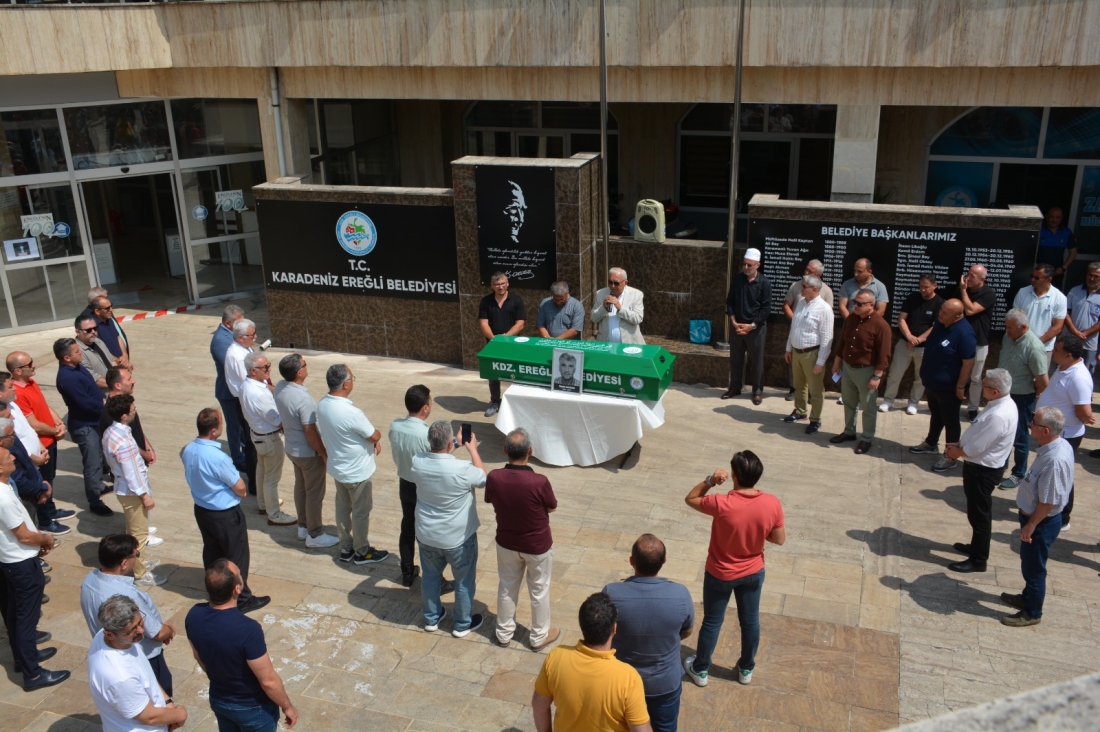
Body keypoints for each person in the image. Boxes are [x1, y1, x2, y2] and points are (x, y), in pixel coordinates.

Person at [683, 450, 785, 688]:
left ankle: (700, 669)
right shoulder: (772, 503)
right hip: (753, 573)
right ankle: (746, 669)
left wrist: (710, 480)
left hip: (720, 573)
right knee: (750, 622)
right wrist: (757, 530)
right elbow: (779, 539)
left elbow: (691, 498)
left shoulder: (721, 503)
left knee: (712, 622)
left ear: (734, 475)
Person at [186, 559, 298, 730]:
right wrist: (287, 706)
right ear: (237, 589)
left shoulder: (194, 614)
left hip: (219, 699)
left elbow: (198, 656)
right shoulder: (248, 629)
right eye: (240, 574)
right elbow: (268, 681)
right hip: (253, 708)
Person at [181, 408, 270, 614]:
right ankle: (243, 598)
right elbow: (239, 486)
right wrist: (241, 491)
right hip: (225, 515)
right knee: (236, 556)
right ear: (213, 430)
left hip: (202, 510)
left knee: (212, 552)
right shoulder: (218, 457)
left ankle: (216, 590)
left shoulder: (189, 449)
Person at [602, 535, 694, 732]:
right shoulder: (681, 594)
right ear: (664, 561)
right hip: (664, 684)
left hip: (622, 682)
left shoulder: (611, 593)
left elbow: (602, 633)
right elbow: (687, 630)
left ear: (632, 561)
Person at [0, 445, 69, 691]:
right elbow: (24, 536)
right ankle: (33, 674)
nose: (13, 457)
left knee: (14, 613)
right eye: (8, 456)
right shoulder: (3, 497)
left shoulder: (5, 488)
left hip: (10, 561)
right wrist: (45, 539)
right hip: (21, 564)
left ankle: (23, 658)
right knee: (26, 619)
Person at [532, 591, 651, 732]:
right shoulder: (628, 678)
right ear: (614, 628)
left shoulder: (556, 657)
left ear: (582, 625)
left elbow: (539, 706)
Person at [484, 428, 559, 651]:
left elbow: (490, 499)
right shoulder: (539, 481)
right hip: (536, 546)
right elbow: (551, 507)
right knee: (539, 590)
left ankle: (503, 633)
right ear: (530, 451)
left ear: (504, 450)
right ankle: (538, 636)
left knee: (507, 587)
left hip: (506, 543)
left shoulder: (494, 477)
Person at [411, 420, 486, 637]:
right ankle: (462, 624)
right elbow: (483, 479)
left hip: (427, 535)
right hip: (458, 538)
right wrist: (472, 449)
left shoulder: (417, 461)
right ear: (448, 443)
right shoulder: (462, 469)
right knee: (464, 580)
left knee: (430, 577)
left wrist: (456, 442)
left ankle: (431, 618)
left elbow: (437, 455)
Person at [999, 406, 1073, 627]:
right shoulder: (1057, 446)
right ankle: (1027, 597)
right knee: (1030, 564)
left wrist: (1031, 525)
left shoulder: (1054, 460)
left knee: (1034, 570)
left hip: (1041, 523)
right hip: (1039, 520)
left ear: (1046, 430)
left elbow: (1047, 502)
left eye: (1034, 423)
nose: (1030, 425)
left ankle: (1032, 612)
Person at [81, 535, 177, 696]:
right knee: (160, 700)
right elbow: (157, 633)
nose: (136, 558)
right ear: (124, 563)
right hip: (144, 660)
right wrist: (168, 630)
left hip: (111, 653)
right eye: (136, 555)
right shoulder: (126, 595)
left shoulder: (89, 581)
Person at [943, 369, 1018, 573]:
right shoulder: (999, 405)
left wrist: (956, 452)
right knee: (976, 513)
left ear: (995, 391)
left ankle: (978, 560)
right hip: (979, 468)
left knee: (980, 516)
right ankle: (976, 546)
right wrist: (960, 445)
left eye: (984, 385)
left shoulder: (999, 415)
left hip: (982, 471)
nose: (981, 388)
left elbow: (977, 448)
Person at [316, 363, 388, 563]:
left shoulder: (322, 404)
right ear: (346, 384)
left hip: (338, 469)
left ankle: (346, 548)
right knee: (360, 512)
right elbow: (374, 435)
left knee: (342, 508)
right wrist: (375, 440)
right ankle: (362, 551)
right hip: (357, 472)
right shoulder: (352, 413)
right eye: (352, 378)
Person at [87, 595, 187, 731]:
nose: (141, 631)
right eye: (132, 630)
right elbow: (149, 717)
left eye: (140, 622)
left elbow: (146, 676)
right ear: (110, 635)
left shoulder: (116, 638)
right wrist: (180, 714)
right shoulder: (119, 676)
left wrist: (167, 702)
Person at [389, 385, 454, 591]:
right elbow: (439, 459)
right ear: (425, 408)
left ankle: (407, 573)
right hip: (424, 488)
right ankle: (436, 579)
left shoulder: (395, 426)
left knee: (408, 527)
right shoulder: (426, 434)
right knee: (429, 534)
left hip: (405, 484)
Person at [274, 353, 336, 547]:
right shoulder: (303, 399)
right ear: (299, 373)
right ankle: (315, 534)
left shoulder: (280, 387)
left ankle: (303, 527)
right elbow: (310, 431)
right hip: (308, 454)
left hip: (292, 449)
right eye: (305, 364)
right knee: (314, 494)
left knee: (301, 488)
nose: (307, 366)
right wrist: (323, 453)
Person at [1035, 334, 1095, 531]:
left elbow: (1084, 412)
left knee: (1061, 475)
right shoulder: (1063, 367)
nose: (1053, 353)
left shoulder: (1078, 378)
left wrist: (1086, 418)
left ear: (1068, 355)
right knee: (1049, 473)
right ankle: (1046, 507)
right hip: (1052, 433)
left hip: (1066, 435)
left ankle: (1062, 517)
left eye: (1057, 350)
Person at [909, 299, 977, 471]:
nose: (940, 314)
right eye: (941, 310)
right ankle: (931, 443)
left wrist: (960, 387)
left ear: (957, 316)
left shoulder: (965, 334)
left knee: (950, 420)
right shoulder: (941, 323)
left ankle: (950, 455)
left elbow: (968, 363)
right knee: (936, 415)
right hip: (932, 383)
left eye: (945, 313)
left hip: (949, 388)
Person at [102, 395, 163, 586]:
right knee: (140, 535)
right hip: (132, 493)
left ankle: (138, 563)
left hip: (123, 490)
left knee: (131, 531)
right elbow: (132, 473)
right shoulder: (124, 441)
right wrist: (144, 496)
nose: (135, 411)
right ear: (123, 415)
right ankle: (140, 573)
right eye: (132, 409)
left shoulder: (111, 432)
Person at [53, 337, 113, 515]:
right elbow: (84, 403)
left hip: (95, 421)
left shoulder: (78, 367)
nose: (80, 353)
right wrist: (104, 405)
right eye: (76, 352)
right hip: (84, 426)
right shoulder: (67, 378)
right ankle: (95, 501)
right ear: (66, 358)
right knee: (92, 464)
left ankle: (99, 486)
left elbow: (92, 390)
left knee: (99, 457)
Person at [829, 288, 892, 454]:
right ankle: (849, 431)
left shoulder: (881, 325)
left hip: (867, 370)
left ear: (871, 305)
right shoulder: (852, 318)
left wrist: (877, 376)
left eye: (859, 303)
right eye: (854, 302)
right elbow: (843, 341)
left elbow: (884, 354)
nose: (855, 306)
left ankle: (867, 438)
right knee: (849, 402)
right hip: (848, 368)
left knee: (868, 407)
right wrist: (837, 360)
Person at [238, 352, 296, 527]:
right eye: (265, 367)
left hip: (258, 436)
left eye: (269, 365)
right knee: (271, 478)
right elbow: (278, 420)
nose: (269, 369)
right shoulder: (259, 395)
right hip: (270, 439)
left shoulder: (247, 385)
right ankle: (274, 514)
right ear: (253, 371)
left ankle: (264, 504)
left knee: (262, 471)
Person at [997, 309, 1050, 490]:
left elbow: (1042, 381)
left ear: (1024, 327)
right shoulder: (1007, 338)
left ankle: (1018, 473)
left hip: (1022, 398)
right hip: (1003, 394)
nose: (1007, 331)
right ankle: (1000, 465)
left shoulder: (1034, 347)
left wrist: (1033, 397)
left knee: (1019, 437)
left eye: (1010, 328)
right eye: (1006, 326)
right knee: (1001, 432)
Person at [881, 273, 943, 414]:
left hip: (925, 347)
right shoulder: (912, 298)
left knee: (920, 377)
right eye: (920, 286)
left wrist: (919, 340)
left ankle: (914, 403)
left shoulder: (939, 303)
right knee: (895, 373)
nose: (922, 290)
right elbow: (901, 319)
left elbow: (936, 326)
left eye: (926, 287)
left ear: (934, 286)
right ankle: (888, 400)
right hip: (905, 343)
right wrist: (909, 337)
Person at [783, 274, 833, 434]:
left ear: (815, 289)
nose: (801, 288)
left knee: (816, 390)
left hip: (812, 354)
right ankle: (800, 411)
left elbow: (827, 337)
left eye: (804, 286)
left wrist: (820, 362)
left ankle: (815, 419)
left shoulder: (824, 309)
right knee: (799, 385)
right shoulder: (801, 303)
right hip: (797, 352)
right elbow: (794, 327)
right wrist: (788, 348)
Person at [9, 350, 66, 488]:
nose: (33, 365)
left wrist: (60, 423)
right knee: (45, 482)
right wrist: (56, 431)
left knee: (51, 477)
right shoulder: (18, 394)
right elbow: (34, 425)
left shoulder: (31, 382)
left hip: (50, 439)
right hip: (42, 446)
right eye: (29, 364)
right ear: (17, 371)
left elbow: (44, 406)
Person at [722, 248, 772, 405]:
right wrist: (733, 321)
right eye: (744, 264)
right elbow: (730, 301)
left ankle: (757, 391)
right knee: (736, 359)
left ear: (757, 265)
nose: (746, 267)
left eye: (749, 265)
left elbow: (766, 309)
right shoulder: (738, 279)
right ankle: (735, 387)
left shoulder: (764, 283)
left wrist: (752, 325)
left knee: (757, 361)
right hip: (737, 325)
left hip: (755, 328)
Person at [478, 272, 526, 417]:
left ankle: (516, 404)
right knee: (493, 374)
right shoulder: (486, 301)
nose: (500, 287)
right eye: (497, 284)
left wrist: (505, 338)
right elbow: (483, 323)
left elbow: (520, 324)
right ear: (492, 286)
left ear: (507, 283)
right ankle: (495, 403)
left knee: (516, 374)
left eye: (503, 283)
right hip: (493, 344)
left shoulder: (516, 300)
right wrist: (494, 339)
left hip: (513, 344)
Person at [210, 305, 248, 477]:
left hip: (238, 389)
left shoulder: (232, 334)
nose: (243, 325)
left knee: (243, 425)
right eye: (239, 321)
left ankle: (246, 452)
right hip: (228, 392)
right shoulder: (220, 340)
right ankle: (238, 459)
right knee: (235, 427)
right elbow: (232, 365)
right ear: (228, 323)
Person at [955, 265, 996, 420]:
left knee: (975, 378)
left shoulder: (988, 294)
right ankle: (954, 404)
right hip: (960, 340)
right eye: (968, 274)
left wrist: (963, 290)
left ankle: (973, 408)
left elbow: (971, 310)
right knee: (957, 374)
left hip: (979, 342)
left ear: (982, 279)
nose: (968, 278)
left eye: (972, 276)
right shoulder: (960, 290)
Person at [224, 318, 260, 495]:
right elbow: (249, 381)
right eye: (252, 335)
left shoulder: (245, 349)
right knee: (251, 444)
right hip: (245, 402)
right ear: (240, 337)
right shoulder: (237, 356)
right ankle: (255, 485)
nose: (256, 337)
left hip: (249, 399)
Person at [99, 367, 155, 467]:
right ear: (118, 385)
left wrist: (148, 447)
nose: (133, 381)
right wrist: (146, 455)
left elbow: (136, 428)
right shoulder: (111, 413)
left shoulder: (126, 404)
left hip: (139, 460)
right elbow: (125, 443)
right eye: (129, 379)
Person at [1012, 264, 1067, 366]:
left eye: (1037, 278)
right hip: (1020, 346)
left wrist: (1036, 344)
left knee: (1039, 376)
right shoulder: (1022, 292)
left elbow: (1058, 327)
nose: (1032, 279)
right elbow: (1015, 318)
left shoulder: (1059, 298)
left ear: (1049, 279)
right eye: (1031, 276)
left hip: (1043, 348)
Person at [1064, 260, 1100, 383]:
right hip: (1070, 341)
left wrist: (1084, 334)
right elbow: (1065, 313)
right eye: (1090, 274)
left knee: (1086, 376)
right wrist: (1075, 332)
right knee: (1066, 372)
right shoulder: (1074, 291)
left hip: (1089, 344)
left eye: (1096, 276)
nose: (1092, 278)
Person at [592, 267, 645, 345]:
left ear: (625, 283)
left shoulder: (636, 295)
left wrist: (620, 308)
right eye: (610, 282)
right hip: (606, 345)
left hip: (629, 346)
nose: (612, 286)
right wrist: (603, 308)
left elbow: (638, 319)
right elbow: (594, 318)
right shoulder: (600, 293)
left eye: (616, 283)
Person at [1037, 205, 1077, 290]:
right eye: (1052, 217)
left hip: (1056, 274)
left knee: (1055, 296)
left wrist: (1063, 268)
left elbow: (1073, 252)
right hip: (1038, 273)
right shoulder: (1038, 229)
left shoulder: (1066, 232)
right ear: (1047, 216)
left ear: (1061, 218)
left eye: (1057, 217)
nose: (1054, 220)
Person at [74, 314, 116, 392]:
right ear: (78, 332)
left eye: (95, 328)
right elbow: (93, 378)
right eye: (88, 330)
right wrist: (117, 385)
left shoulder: (98, 341)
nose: (93, 332)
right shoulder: (77, 352)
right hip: (104, 394)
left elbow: (112, 361)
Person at [90, 296, 133, 370]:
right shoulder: (92, 327)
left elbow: (118, 337)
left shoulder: (109, 320)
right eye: (107, 308)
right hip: (110, 367)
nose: (111, 310)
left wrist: (125, 356)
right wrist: (120, 362)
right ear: (97, 311)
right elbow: (99, 349)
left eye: (111, 306)